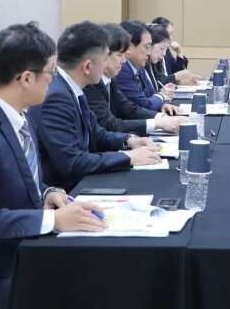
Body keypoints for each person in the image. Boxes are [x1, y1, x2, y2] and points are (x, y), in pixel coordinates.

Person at [0, 22, 108, 309]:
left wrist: (47, 192)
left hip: (21, 257)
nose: (54, 79)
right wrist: (52, 219)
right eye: (50, 72)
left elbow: (14, 179)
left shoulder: (17, 116)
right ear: (26, 78)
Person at [35, 21, 161, 190]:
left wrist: (129, 140)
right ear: (87, 67)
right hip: (68, 191)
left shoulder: (73, 88)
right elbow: (73, 162)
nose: (106, 65)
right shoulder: (57, 97)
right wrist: (128, 157)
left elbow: (97, 133)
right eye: (104, 59)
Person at [84, 24, 184, 135]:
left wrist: (161, 117)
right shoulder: (91, 84)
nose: (124, 60)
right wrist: (156, 123)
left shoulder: (109, 79)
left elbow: (128, 108)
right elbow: (108, 124)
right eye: (119, 55)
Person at [115, 20, 175, 112]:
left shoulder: (139, 66)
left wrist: (162, 105)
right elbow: (144, 104)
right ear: (129, 47)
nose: (149, 52)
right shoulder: (121, 70)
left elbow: (151, 94)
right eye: (147, 47)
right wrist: (162, 97)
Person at [151, 16, 197, 80]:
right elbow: (158, 81)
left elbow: (177, 71)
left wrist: (179, 52)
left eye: (171, 34)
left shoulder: (166, 51)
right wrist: (176, 77)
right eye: (168, 34)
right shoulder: (153, 55)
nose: (171, 38)